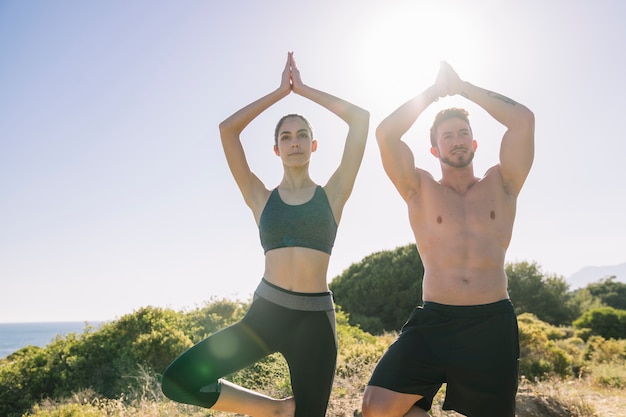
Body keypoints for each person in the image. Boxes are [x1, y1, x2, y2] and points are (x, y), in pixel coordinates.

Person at [161, 52, 369, 417]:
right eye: (286, 137)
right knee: (178, 381)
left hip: (314, 323)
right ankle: (275, 410)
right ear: (275, 149)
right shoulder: (261, 198)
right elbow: (228, 131)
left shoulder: (332, 195)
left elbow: (360, 120)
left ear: (313, 145)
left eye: (302, 135)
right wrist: (279, 93)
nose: (294, 142)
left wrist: (302, 91)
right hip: (266, 315)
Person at [361, 61, 534, 417]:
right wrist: (433, 93)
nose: (456, 141)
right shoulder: (419, 189)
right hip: (435, 321)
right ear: (434, 150)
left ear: (473, 142)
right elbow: (385, 135)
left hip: (491, 323)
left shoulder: (503, 184)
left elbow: (523, 121)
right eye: (447, 136)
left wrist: (464, 87)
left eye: (462, 133)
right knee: (377, 407)